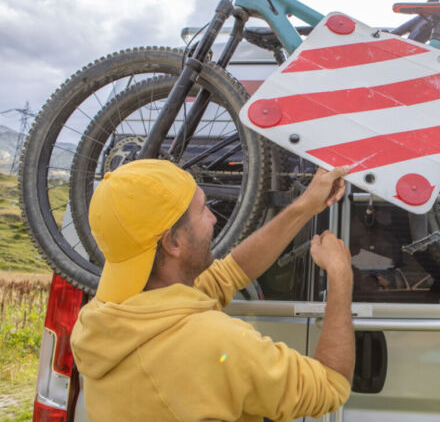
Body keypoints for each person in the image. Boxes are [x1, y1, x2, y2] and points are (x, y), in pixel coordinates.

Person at [70, 159, 355, 422]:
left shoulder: (101, 319)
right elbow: (330, 384)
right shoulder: (213, 341)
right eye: (203, 209)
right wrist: (341, 276)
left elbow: (229, 274)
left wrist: (305, 206)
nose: (214, 218)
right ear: (173, 243)